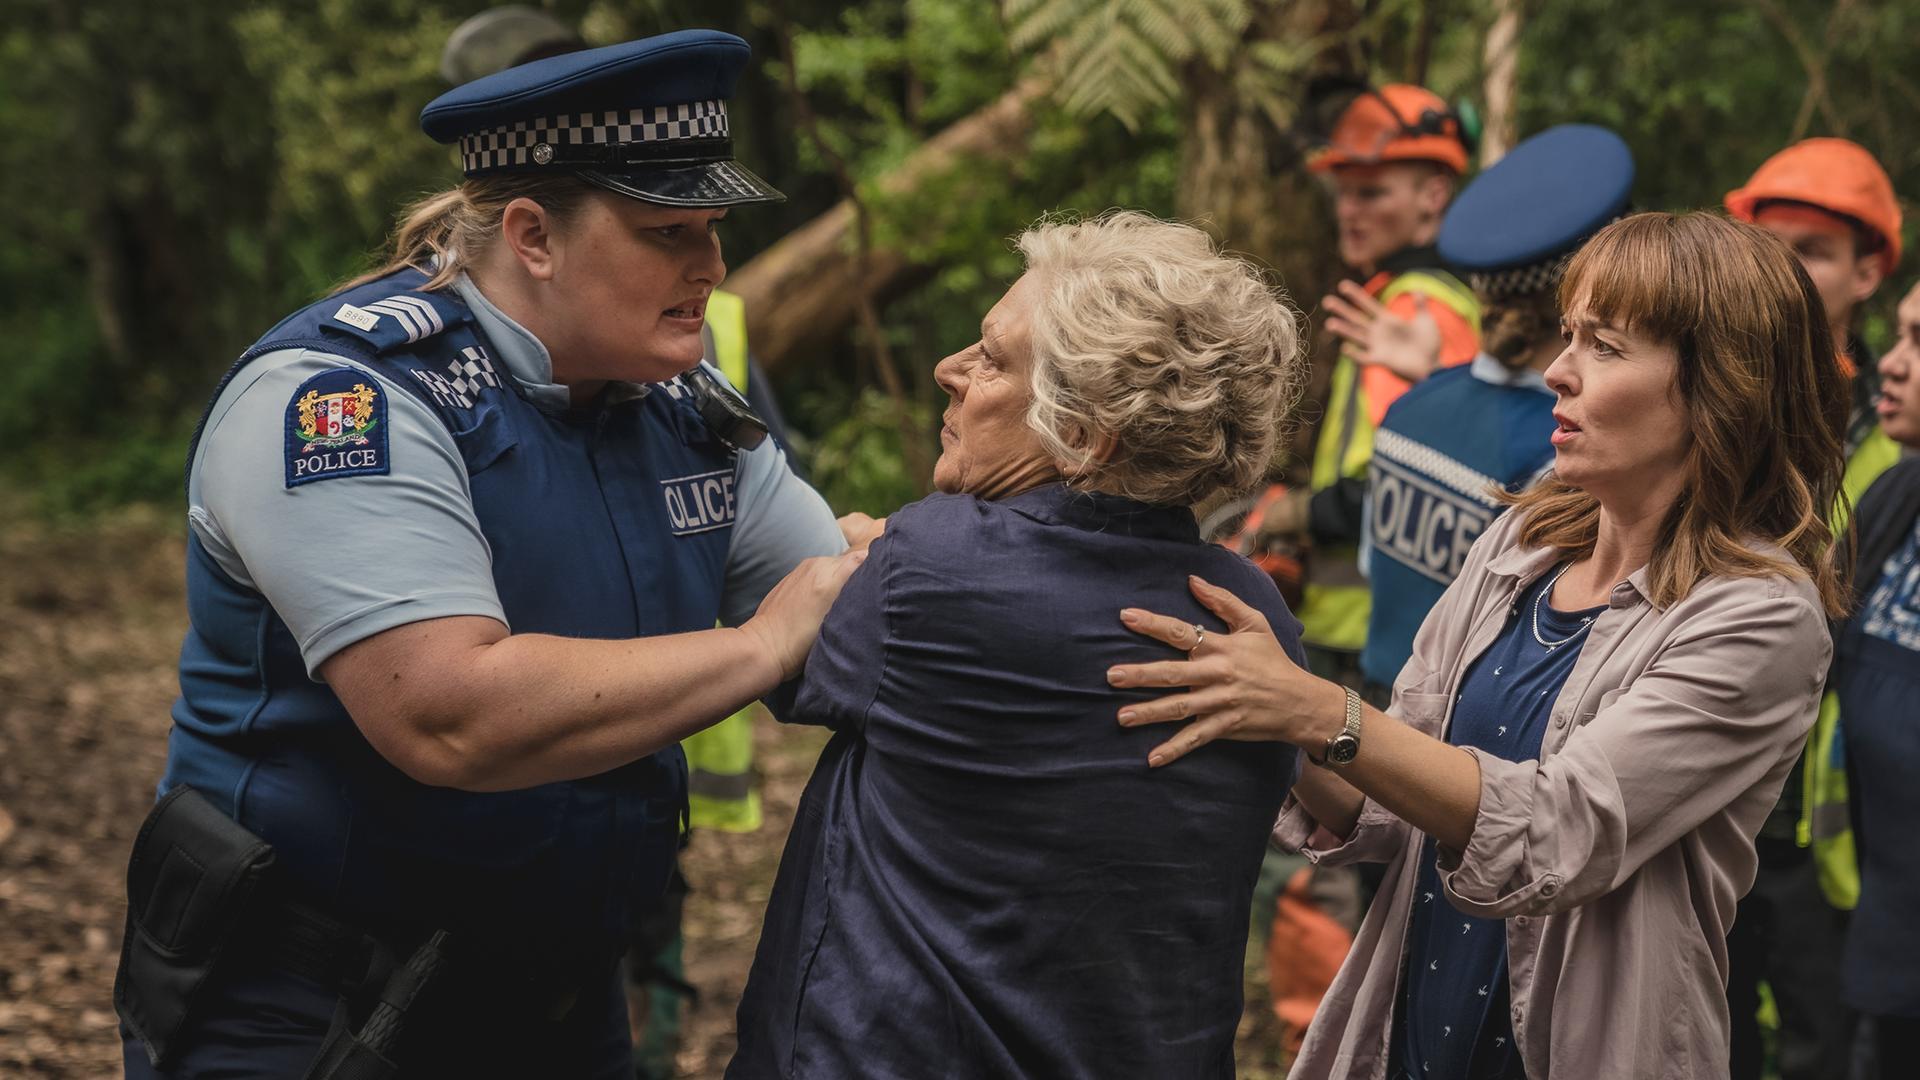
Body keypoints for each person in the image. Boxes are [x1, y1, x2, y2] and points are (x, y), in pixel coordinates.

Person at [114, 32, 861, 1079]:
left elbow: (850, 612)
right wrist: (762, 645)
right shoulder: (345, 401)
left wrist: (1145, 629)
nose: (711, 266)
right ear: (532, 236)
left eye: (713, 230)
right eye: (666, 232)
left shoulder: (676, 407)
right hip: (308, 1015)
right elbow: (447, 711)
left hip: (561, 1003)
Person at [1109, 212, 1849, 1079]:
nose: (1556, 372)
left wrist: (1317, 708)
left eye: (1605, 347)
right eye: (1568, 336)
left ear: (1723, 387)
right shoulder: (1522, 545)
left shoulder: (1760, 613)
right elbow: (1395, 804)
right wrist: (1265, 706)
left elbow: (1558, 830)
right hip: (1416, 1036)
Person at [729, 211, 1309, 1078]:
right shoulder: (1251, 613)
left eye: (993, 359)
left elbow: (788, 657)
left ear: (1080, 433)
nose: (948, 371)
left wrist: (875, 555)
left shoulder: (923, 570)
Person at [1721, 136, 1905, 1080]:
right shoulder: (1712, 405)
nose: (1786, 272)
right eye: (1771, 243)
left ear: (1869, 270)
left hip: (1826, 839)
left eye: (1815, 251)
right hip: (1709, 802)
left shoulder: (1897, 434)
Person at [1360, 124, 1634, 702]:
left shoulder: (1413, 401)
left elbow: (1372, 567)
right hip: (1458, 740)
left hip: (1374, 705)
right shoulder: (1565, 448)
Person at [1258, 83, 1482, 686]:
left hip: (1376, 632)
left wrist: (1290, 515)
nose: (1349, 211)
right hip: (1360, 618)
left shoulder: (1413, 306)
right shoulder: (1402, 298)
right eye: (1344, 193)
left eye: (1372, 192)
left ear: (1434, 194)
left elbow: (1410, 477)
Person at [1833, 280, 1920, 1069]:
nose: (1890, 364)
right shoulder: (1897, 497)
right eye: (1898, 336)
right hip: (1884, 962)